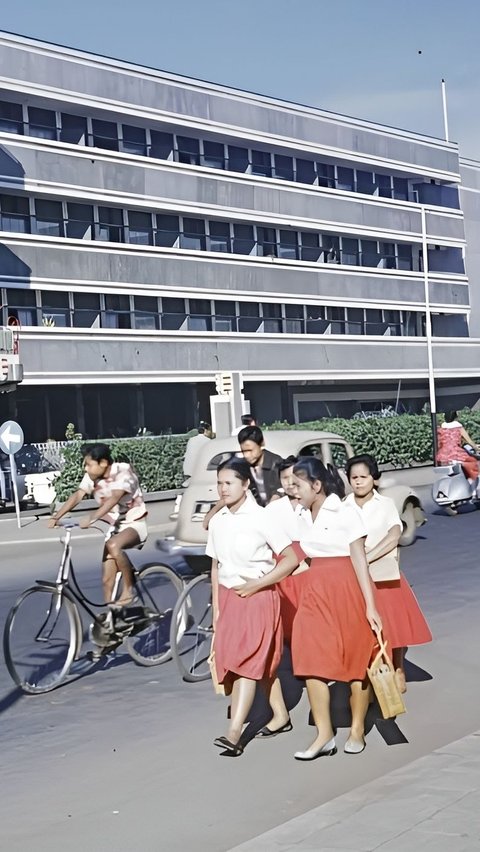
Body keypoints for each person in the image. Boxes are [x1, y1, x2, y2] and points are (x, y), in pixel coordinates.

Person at [235, 456, 382, 759]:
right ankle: (324, 735)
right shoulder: (302, 515)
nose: (292, 489)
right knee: (310, 660)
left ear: (316, 485)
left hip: (348, 590)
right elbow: (308, 562)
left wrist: (371, 606)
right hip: (315, 593)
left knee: (356, 665)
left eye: (298, 484)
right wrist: (265, 581)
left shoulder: (345, 512)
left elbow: (359, 561)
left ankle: (356, 729)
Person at [207, 456, 299, 757]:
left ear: (246, 484)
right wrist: (218, 609)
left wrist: (258, 584)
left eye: (228, 483)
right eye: (219, 483)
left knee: (247, 662)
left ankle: (234, 733)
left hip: (259, 598)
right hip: (231, 598)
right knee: (259, 661)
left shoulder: (262, 518)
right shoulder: (218, 522)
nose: (222, 489)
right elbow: (216, 567)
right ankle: (281, 715)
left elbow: (290, 558)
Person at [345, 454, 432, 694]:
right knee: (366, 627)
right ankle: (372, 673)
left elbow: (394, 535)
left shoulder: (384, 504)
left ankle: (398, 667)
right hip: (356, 575)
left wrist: (366, 559)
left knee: (394, 627)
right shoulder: (344, 506)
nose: (359, 482)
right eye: (354, 478)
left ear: (374, 479)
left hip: (384, 575)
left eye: (364, 477)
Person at [48, 443, 148, 605]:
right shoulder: (92, 477)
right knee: (107, 580)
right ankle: (111, 619)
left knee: (113, 545)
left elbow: (115, 497)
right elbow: (79, 495)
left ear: (103, 463)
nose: (85, 469)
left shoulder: (123, 471)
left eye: (89, 465)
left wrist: (92, 518)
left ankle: (129, 590)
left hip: (134, 524)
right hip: (113, 529)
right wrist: (56, 517)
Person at [237, 425, 282, 506]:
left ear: (261, 444)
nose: (246, 455)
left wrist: (276, 499)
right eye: (243, 451)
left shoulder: (276, 462)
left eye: (250, 450)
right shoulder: (243, 467)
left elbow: (283, 489)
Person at [436, 410, 480, 486]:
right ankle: (472, 488)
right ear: (455, 417)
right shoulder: (458, 427)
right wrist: (477, 449)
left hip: (443, 455)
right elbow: (469, 441)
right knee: (473, 465)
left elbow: (439, 443)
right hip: (456, 454)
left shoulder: (441, 429)